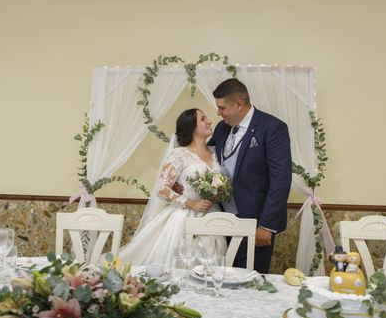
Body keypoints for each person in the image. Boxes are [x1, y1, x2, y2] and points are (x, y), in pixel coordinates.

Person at [118, 108, 226, 267]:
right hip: (184, 217)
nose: (209, 121)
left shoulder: (217, 152)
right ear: (192, 128)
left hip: (213, 217)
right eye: (203, 119)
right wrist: (191, 203)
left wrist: (219, 193)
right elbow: (162, 188)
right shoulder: (179, 154)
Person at [208, 78, 292, 274]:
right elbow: (205, 158)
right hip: (222, 221)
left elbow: (281, 179)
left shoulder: (272, 128)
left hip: (256, 224)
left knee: (250, 281)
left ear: (238, 104)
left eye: (222, 108)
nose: (218, 113)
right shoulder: (222, 128)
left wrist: (267, 225)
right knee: (223, 278)